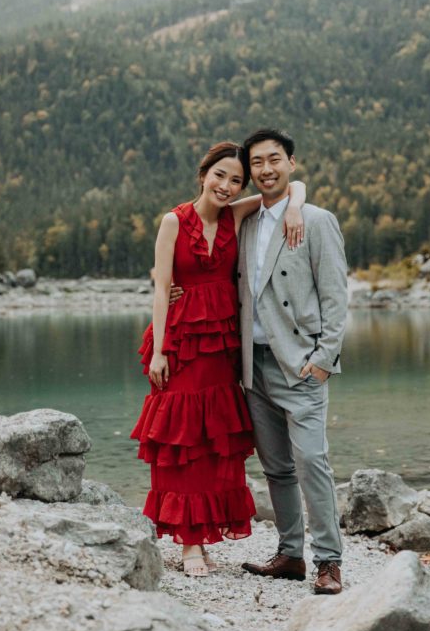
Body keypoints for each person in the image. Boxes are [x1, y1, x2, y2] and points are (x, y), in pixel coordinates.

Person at [130, 141, 306, 577]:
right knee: (183, 441)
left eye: (235, 180)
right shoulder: (174, 221)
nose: (226, 186)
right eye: (219, 176)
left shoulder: (235, 214)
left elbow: (290, 187)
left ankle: (204, 536)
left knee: (214, 444)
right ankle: (189, 545)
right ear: (203, 174)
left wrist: (297, 207)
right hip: (183, 344)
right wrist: (159, 350)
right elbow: (160, 288)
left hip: (224, 345)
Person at [238, 128, 348, 594]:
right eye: (258, 163)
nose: (266, 169)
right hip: (253, 364)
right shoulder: (244, 221)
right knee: (276, 467)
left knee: (312, 463)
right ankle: (290, 554)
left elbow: (336, 295)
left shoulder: (317, 221)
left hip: (300, 363)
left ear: (291, 164)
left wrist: (324, 359)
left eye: (274, 159)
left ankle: (329, 561)